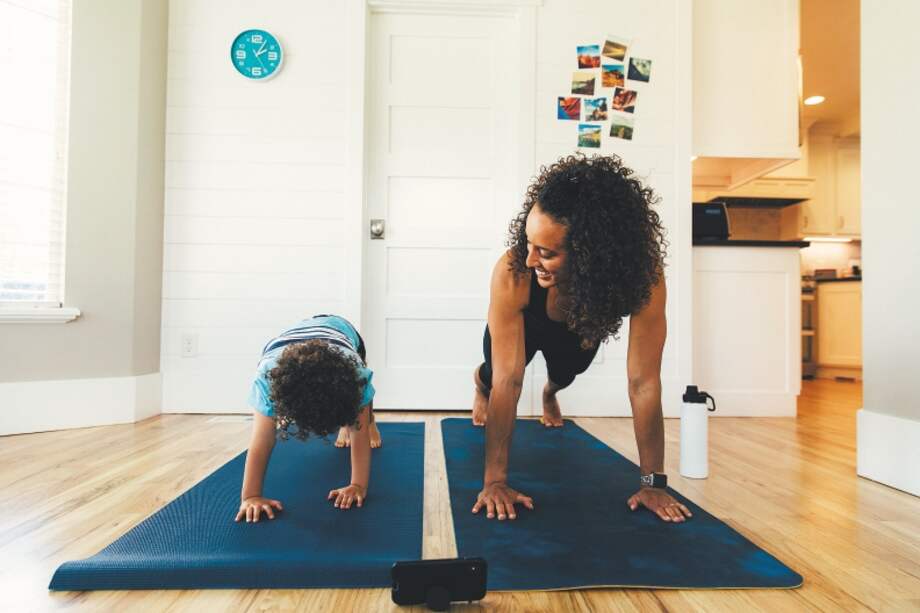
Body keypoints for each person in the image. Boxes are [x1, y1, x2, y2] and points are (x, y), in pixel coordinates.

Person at [470, 154, 692, 524]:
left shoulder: (642, 275)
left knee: (566, 372)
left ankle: (550, 394)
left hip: (578, 323)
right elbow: (510, 380)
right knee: (496, 375)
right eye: (528, 243)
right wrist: (495, 482)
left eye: (547, 252)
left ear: (593, 255)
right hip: (527, 320)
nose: (529, 259)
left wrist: (653, 483)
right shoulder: (514, 272)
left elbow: (644, 383)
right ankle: (478, 384)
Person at [235, 314, 380, 522]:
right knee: (265, 427)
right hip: (286, 345)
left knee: (361, 413)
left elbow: (360, 432)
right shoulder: (267, 379)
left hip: (342, 331)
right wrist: (251, 496)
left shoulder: (356, 374)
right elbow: (262, 439)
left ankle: (371, 421)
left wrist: (358, 485)